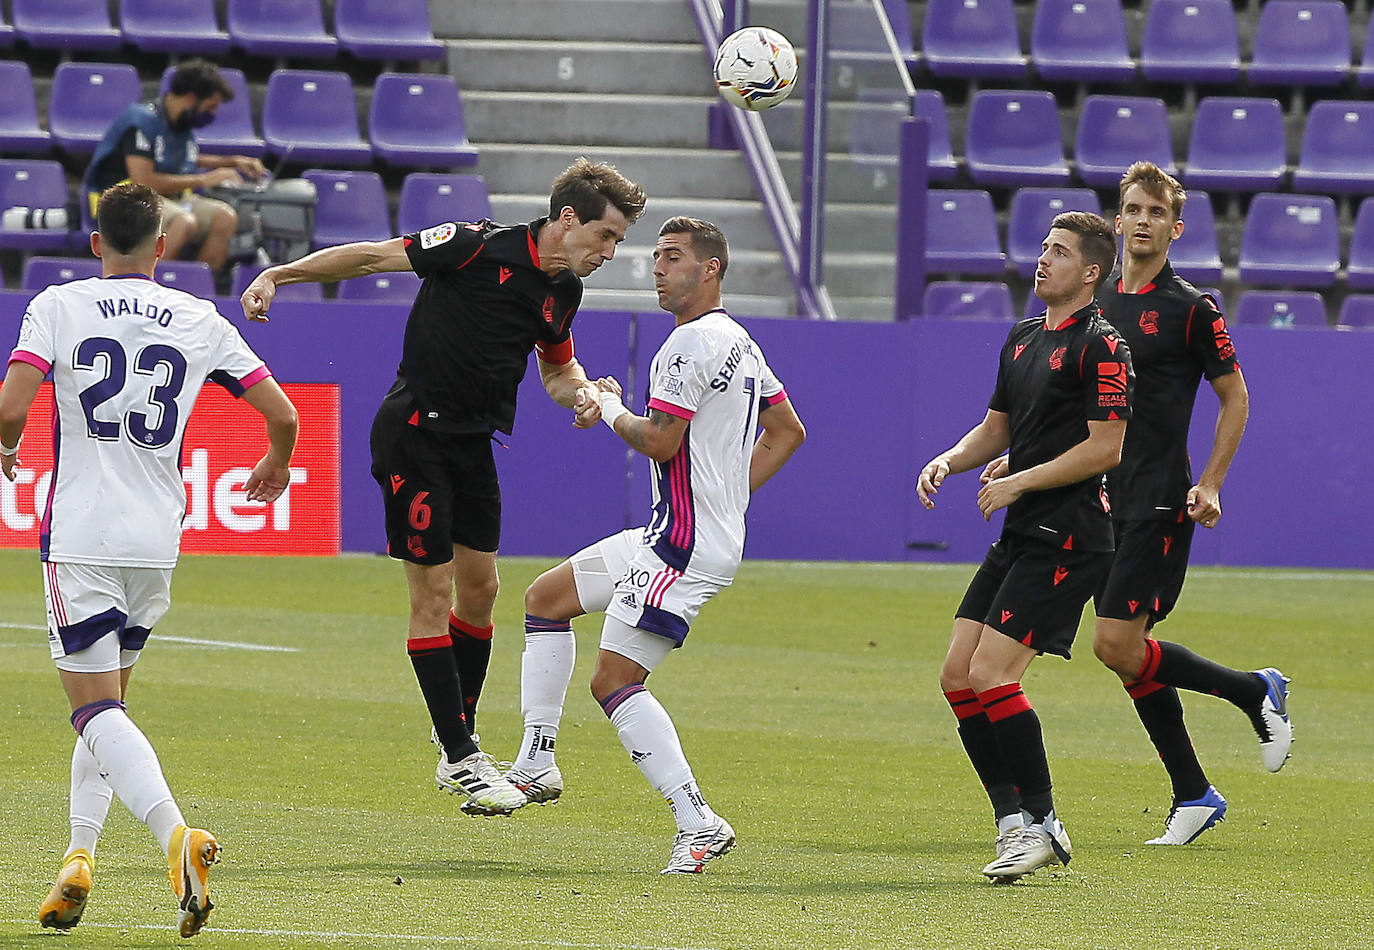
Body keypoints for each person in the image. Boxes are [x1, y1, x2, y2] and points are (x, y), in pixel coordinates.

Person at [239, 157, 647, 817]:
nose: (610, 252)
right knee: (432, 594)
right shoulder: (473, 244)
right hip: (413, 435)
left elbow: (556, 369)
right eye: (606, 235)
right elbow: (372, 257)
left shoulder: (563, 291)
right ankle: (461, 757)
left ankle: (456, 736)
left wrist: (583, 394)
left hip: (473, 443)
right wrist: (277, 275)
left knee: (481, 591)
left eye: (618, 241)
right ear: (568, 218)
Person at [0, 183, 298, 936]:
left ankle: (176, 837)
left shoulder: (59, 305)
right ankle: (78, 856)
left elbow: (10, 408)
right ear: (163, 247)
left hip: (82, 535)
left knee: (92, 709)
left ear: (95, 242)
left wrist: (6, 447)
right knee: (110, 711)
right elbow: (284, 414)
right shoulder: (199, 317)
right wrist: (276, 461)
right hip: (155, 540)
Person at [505, 217, 805, 873]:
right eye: (657, 257)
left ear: (711, 268)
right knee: (546, 599)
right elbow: (787, 431)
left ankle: (697, 822)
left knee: (615, 679)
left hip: (681, 544)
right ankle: (535, 759)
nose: (657, 269)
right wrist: (725, 498)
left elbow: (660, 442)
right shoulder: (739, 341)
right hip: (677, 530)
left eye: (673, 257)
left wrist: (605, 405)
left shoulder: (688, 346)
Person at [917, 211, 1132, 883]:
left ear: (1091, 272)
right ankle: (1013, 823)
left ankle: (1043, 824)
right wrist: (950, 460)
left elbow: (1106, 448)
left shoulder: (1104, 347)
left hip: (1070, 535)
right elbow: (996, 429)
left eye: (1059, 252)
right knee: (958, 675)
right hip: (1023, 531)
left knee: (993, 674)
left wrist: (1019, 481)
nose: (1043, 260)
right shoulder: (1023, 337)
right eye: (1043, 248)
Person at [1090, 161, 1291, 844]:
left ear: (1176, 228)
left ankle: (1251, 694)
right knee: (1127, 652)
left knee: (1114, 643)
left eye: (1157, 212)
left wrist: (1210, 483)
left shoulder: (1191, 308)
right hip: (1101, 500)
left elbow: (1236, 397)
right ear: (1117, 220)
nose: (1143, 221)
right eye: (1133, 209)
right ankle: (1195, 790)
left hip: (1158, 499)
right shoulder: (1096, 299)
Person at [82, 58, 266, 274]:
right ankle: (146, 285)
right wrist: (204, 179)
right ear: (192, 97)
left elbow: (184, 158)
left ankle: (198, 285)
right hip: (128, 199)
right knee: (183, 222)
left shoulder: (180, 123)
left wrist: (234, 161)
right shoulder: (141, 121)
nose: (213, 114)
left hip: (172, 198)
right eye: (210, 106)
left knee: (225, 217)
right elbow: (144, 180)